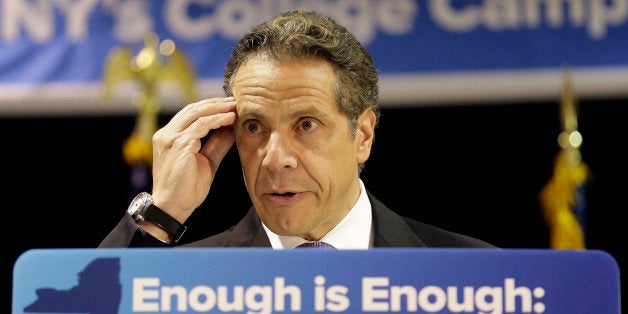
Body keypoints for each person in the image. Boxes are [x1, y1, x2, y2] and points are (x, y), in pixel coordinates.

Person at [99, 9, 495, 249]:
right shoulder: (188, 284)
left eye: (306, 124)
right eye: (254, 127)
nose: (275, 159)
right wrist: (164, 212)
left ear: (363, 135)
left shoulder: (474, 276)